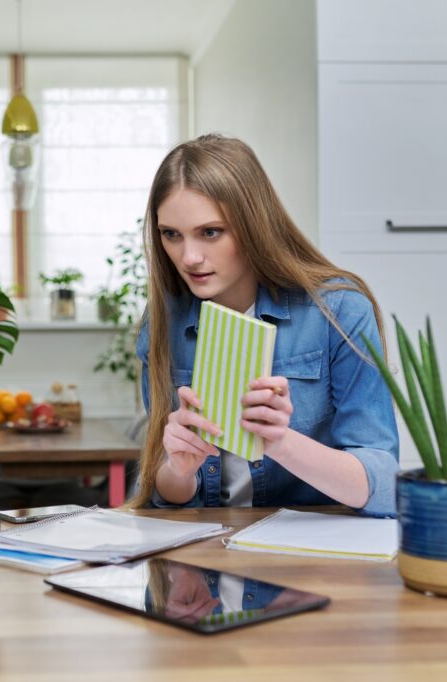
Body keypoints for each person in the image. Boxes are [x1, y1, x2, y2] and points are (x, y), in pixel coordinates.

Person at [129, 134, 398, 517]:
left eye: (211, 232)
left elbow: (384, 486)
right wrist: (179, 469)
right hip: (209, 555)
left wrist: (280, 442)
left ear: (254, 225)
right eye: (171, 234)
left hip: (312, 558)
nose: (189, 257)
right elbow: (164, 496)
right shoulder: (163, 323)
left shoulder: (339, 311)